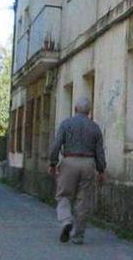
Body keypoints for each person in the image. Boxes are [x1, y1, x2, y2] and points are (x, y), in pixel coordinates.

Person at [48, 96, 106, 245]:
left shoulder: (66, 124)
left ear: (75, 109)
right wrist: (101, 170)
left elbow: (56, 145)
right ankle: (78, 236)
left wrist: (53, 163)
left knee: (63, 196)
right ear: (89, 111)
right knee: (83, 200)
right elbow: (100, 151)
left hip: (69, 161)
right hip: (88, 163)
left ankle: (66, 220)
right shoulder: (95, 127)